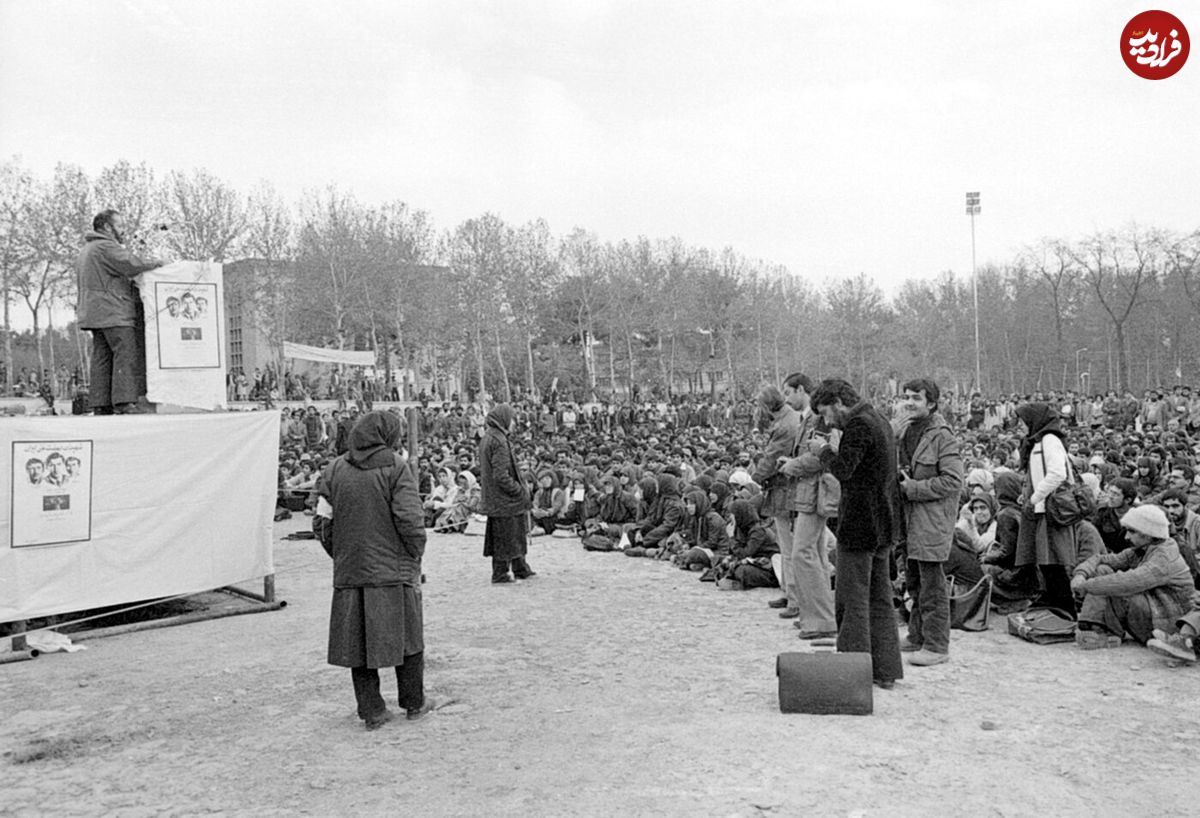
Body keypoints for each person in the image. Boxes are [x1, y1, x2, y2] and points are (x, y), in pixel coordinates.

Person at [317, 410, 434, 730]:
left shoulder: (334, 469)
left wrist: (343, 555)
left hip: (352, 572)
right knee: (409, 640)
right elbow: (410, 521)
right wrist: (414, 556)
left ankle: (372, 711)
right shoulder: (397, 468)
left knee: (358, 645)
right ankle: (414, 703)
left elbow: (321, 523)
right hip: (395, 573)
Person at [809, 378, 904, 690]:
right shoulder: (879, 420)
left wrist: (823, 451)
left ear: (838, 402)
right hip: (883, 524)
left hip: (860, 525)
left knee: (852, 600)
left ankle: (852, 674)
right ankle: (885, 670)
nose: (826, 420)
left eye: (825, 412)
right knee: (880, 599)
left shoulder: (858, 424)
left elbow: (845, 470)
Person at [895, 378, 964, 667]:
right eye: (907, 397)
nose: (909, 402)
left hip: (932, 520)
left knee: (932, 585)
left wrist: (913, 489)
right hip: (909, 519)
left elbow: (952, 480)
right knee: (914, 580)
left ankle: (937, 645)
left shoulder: (942, 436)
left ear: (932, 403)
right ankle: (917, 635)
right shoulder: (905, 431)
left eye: (917, 398)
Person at [76, 209, 163, 414]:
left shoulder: (87, 250)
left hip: (94, 313)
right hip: (114, 310)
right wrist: (158, 263)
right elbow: (131, 264)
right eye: (120, 225)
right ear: (107, 227)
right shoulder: (106, 246)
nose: (123, 230)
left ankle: (100, 403)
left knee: (102, 357)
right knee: (125, 354)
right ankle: (125, 402)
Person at [1072, 505, 1195, 649]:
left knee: (1118, 590)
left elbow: (1128, 583)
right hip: (1153, 610)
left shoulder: (1164, 557)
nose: (1126, 537)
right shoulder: (1142, 549)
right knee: (1103, 570)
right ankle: (1094, 629)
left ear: (1148, 534)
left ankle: (1104, 634)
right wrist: (1081, 574)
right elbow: (1101, 559)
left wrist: (1085, 586)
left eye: (1132, 531)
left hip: (1169, 622)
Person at [777, 372, 838, 639]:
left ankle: (821, 619)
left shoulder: (818, 419)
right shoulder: (809, 418)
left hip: (815, 492)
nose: (787, 400)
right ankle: (817, 615)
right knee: (815, 554)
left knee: (803, 552)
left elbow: (822, 458)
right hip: (808, 492)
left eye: (789, 393)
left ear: (802, 389)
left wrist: (792, 465)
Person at [1014, 402, 1079, 615]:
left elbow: (1057, 473)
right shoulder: (1038, 441)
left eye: (1023, 421)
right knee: (1043, 558)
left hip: (1050, 509)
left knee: (1054, 560)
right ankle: (1051, 599)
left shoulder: (1050, 440)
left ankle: (1064, 605)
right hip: (1040, 507)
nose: (1019, 425)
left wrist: (1035, 496)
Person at [749, 386, 801, 618]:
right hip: (783, 486)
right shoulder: (788, 419)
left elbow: (771, 458)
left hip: (785, 488)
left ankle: (795, 598)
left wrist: (756, 476)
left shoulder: (784, 425)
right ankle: (790, 592)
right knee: (786, 546)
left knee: (790, 547)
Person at [478, 403, 536, 584]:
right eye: (512, 419)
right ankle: (501, 573)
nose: (515, 423)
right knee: (506, 535)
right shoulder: (499, 441)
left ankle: (520, 568)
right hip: (505, 498)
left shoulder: (489, 437)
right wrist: (519, 490)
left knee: (512, 533)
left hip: (495, 497)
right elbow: (501, 475)